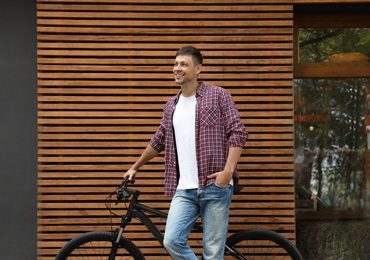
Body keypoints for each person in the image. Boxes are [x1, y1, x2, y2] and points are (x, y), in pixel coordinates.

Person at [123, 46, 248, 259]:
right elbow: (158, 140)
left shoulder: (218, 95)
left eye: (183, 64)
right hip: (184, 189)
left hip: (214, 185)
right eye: (175, 64)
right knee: (171, 240)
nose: (177, 68)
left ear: (198, 69)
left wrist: (228, 172)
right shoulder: (171, 105)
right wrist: (135, 167)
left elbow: (237, 132)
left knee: (212, 251)